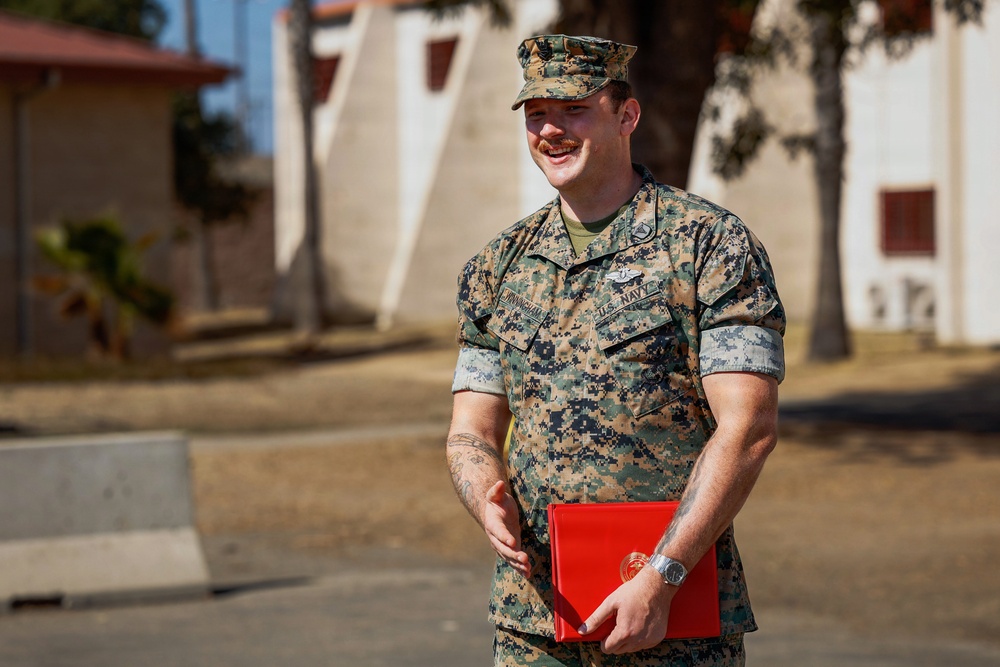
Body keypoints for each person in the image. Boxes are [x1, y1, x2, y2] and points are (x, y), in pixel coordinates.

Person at [446, 34, 786, 666]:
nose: (550, 130)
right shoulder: (495, 267)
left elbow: (750, 428)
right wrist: (483, 493)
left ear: (626, 116)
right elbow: (470, 430)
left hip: (674, 618)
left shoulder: (709, 245)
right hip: (536, 619)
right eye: (536, 114)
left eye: (573, 110)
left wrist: (662, 576)